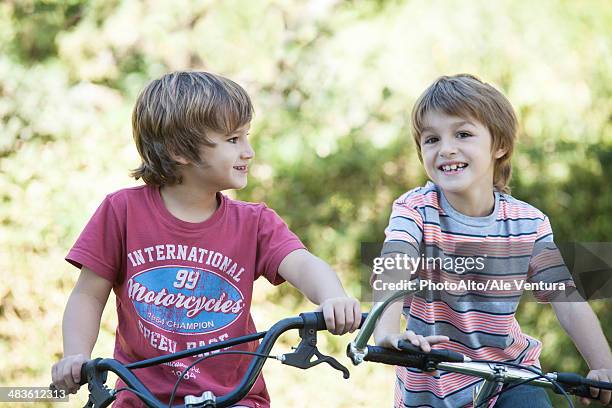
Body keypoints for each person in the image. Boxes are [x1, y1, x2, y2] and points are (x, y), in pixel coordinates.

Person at [51, 71, 361, 408]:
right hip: (141, 398)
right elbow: (88, 296)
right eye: (233, 140)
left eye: (246, 137)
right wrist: (76, 356)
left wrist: (333, 296)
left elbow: (301, 263)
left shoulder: (254, 222)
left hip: (234, 398)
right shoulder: (122, 211)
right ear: (178, 150)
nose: (249, 151)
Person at [373, 74, 612, 407]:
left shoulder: (529, 223)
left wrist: (604, 367)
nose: (446, 148)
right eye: (431, 139)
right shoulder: (414, 210)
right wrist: (385, 332)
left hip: (510, 376)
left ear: (499, 145)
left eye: (463, 134)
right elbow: (393, 267)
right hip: (431, 383)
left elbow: (567, 301)